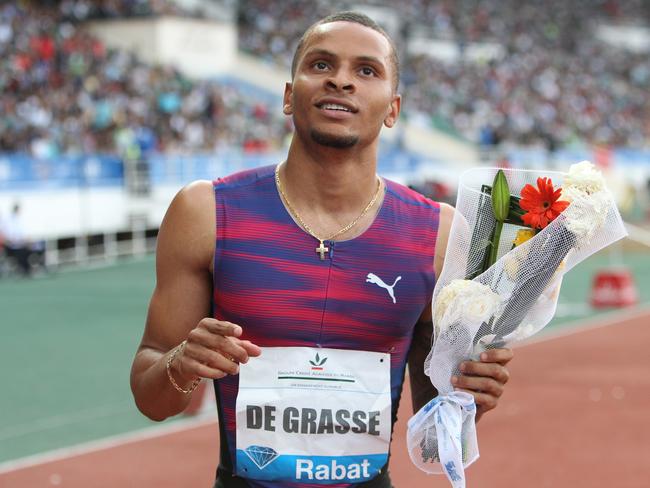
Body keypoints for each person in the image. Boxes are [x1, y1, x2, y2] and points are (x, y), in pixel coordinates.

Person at [130, 11, 513, 488]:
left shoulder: (437, 235)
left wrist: (469, 399)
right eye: (321, 65)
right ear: (290, 95)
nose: (341, 81)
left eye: (366, 70)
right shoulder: (205, 212)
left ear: (393, 108)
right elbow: (151, 398)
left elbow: (435, 439)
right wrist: (181, 362)